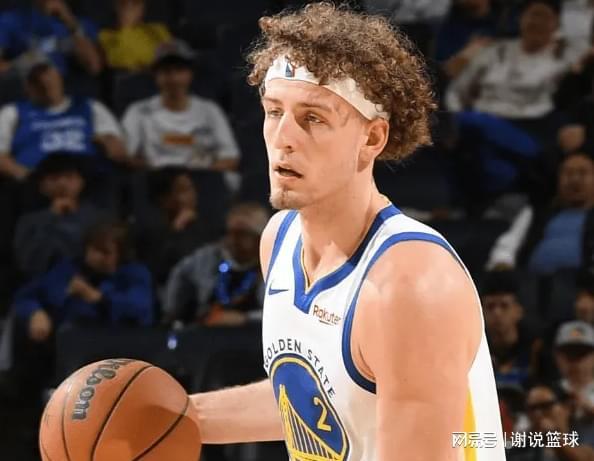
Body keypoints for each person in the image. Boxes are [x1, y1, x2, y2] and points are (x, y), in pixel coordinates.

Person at [190, 4, 505, 461]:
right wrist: (176, 416)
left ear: (372, 139)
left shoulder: (410, 285)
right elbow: (323, 403)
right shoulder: (279, 240)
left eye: (313, 118)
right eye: (274, 112)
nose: (283, 138)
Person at [0, 56, 127, 181]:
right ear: (27, 86)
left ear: (60, 79)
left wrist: (106, 142)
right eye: (38, 81)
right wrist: (27, 177)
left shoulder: (90, 106)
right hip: (37, 179)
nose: (46, 85)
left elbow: (115, 146)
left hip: (86, 177)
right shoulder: (12, 112)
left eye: (49, 78)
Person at [122, 40, 240, 172]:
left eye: (180, 70)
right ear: (155, 75)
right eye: (166, 71)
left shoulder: (209, 110)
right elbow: (126, 156)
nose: (174, 78)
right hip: (157, 178)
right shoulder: (138, 111)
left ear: (190, 73)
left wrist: (198, 175)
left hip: (204, 176)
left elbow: (230, 158)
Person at [486, 151, 594, 275]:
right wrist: (502, 266)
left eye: (583, 173)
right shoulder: (536, 213)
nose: (574, 180)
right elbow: (508, 245)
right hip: (530, 281)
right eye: (568, 173)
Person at [164, 202, 269, 327]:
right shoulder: (207, 258)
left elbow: (280, 315)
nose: (233, 239)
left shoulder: (273, 266)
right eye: (230, 232)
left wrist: (245, 318)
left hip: (255, 333)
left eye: (241, 233)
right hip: (206, 331)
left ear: (259, 237)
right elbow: (177, 286)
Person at [13, 153, 106, 278]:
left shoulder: (99, 218)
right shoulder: (28, 221)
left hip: (92, 281)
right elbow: (27, 262)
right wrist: (51, 216)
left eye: (69, 177)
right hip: (42, 283)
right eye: (54, 178)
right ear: (42, 186)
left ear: (82, 182)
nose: (62, 183)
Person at [135, 166, 215, 288]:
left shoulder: (203, 227)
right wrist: (176, 230)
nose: (192, 195)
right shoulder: (149, 232)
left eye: (191, 188)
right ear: (164, 199)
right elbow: (158, 273)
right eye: (184, 190)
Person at [0, 0, 102, 77]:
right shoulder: (10, 20)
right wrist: (22, 64)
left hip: (66, 88)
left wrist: (69, 22)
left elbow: (93, 66)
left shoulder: (80, 24)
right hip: (27, 86)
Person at [482, 270, 542, 388]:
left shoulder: (536, 348)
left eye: (504, 306)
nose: (497, 313)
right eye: (490, 306)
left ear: (519, 311)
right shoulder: (476, 349)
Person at [99, 0, 172, 72]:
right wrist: (125, 26)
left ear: (142, 7)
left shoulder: (158, 30)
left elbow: (171, 58)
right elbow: (117, 62)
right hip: (127, 77)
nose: (129, 8)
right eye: (123, 3)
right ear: (115, 6)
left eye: (135, 3)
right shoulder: (105, 35)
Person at [553, 321, 594, 446]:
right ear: (557, 356)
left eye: (582, 353)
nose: (575, 361)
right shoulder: (548, 392)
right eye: (569, 353)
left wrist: (588, 409)